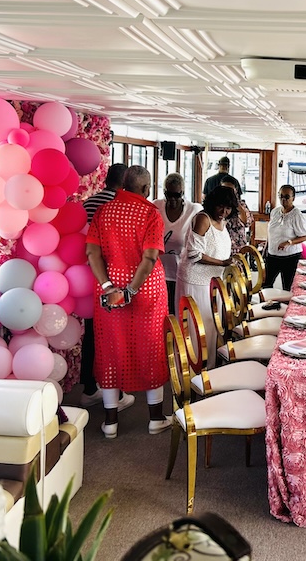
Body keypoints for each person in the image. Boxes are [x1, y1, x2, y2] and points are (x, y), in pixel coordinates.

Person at [86, 165, 170, 439]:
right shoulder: (149, 213)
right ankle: (155, 418)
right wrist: (131, 290)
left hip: (109, 290)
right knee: (151, 347)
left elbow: (92, 253)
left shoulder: (103, 211)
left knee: (111, 348)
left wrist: (110, 286)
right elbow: (149, 258)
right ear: (146, 189)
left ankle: (110, 422)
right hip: (145, 289)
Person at [79, 163, 133, 410]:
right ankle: (117, 392)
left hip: (85, 275)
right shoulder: (121, 205)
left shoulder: (89, 202)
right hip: (114, 276)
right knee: (116, 336)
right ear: (125, 183)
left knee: (91, 334)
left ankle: (89, 388)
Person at [175, 186, 239, 368]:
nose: (223, 212)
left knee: (212, 324)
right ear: (212, 203)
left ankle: (209, 367)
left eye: (228, 208)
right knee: (198, 326)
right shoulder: (203, 219)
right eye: (220, 206)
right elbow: (194, 254)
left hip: (213, 281)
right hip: (196, 280)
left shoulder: (223, 221)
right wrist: (222, 263)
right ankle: (194, 369)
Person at [153, 173, 201, 314]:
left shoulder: (193, 210)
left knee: (177, 314)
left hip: (180, 273)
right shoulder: (156, 206)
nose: (173, 199)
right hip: (159, 272)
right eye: (169, 195)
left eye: (177, 195)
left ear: (183, 193)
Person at [264, 184, 306, 290]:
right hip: (272, 255)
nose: (283, 199)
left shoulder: (296, 215)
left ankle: (286, 306)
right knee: (266, 284)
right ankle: (267, 306)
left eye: (287, 197)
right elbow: (270, 233)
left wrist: (289, 242)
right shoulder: (275, 212)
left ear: (293, 198)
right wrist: (265, 248)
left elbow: (304, 237)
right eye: (281, 196)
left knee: (287, 287)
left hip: (290, 257)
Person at [220, 174, 254, 254]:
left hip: (238, 250)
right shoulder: (217, 207)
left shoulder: (241, 205)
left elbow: (247, 222)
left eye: (230, 190)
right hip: (222, 248)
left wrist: (235, 201)